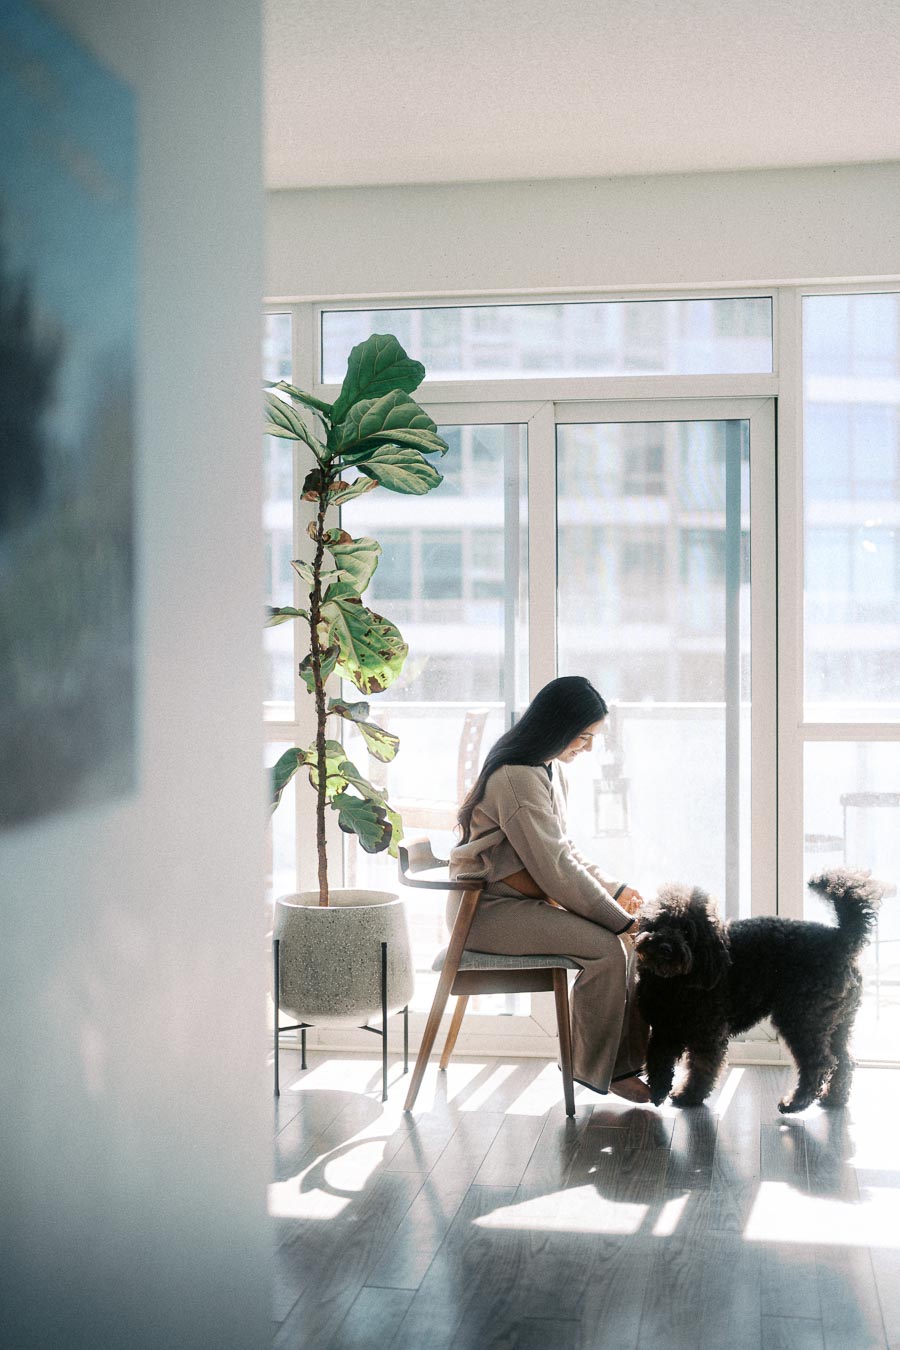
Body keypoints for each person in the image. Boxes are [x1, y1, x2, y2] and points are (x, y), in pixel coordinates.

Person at [449, 675, 651, 1103]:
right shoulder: (516, 778)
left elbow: (562, 851)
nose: (589, 748)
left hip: (518, 902)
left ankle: (620, 1065)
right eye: (583, 737)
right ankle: (598, 1068)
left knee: (621, 943)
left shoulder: (544, 769)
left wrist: (617, 891)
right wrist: (620, 920)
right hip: (486, 912)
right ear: (558, 728)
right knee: (609, 947)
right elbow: (555, 869)